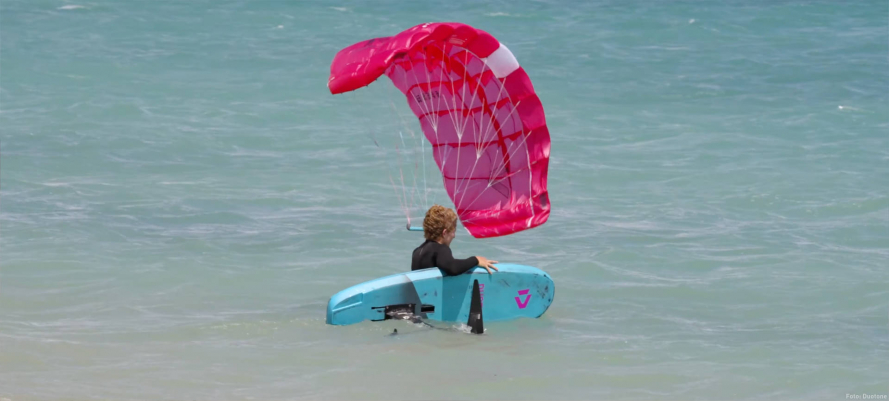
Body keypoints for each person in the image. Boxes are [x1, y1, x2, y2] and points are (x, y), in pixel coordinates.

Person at [411, 205, 499, 275]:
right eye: (453, 232)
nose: (454, 236)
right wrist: (476, 260)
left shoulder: (417, 252)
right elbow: (453, 268)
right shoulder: (440, 249)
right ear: (444, 233)